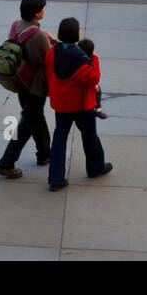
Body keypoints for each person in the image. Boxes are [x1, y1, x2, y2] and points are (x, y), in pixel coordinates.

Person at [44, 16, 111, 192]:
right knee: (89, 136)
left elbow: (57, 55)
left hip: (61, 104)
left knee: (59, 138)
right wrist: (94, 58)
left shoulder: (53, 52)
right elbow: (93, 79)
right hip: (81, 106)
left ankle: (55, 178)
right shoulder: (82, 60)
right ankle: (96, 168)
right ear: (76, 34)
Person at [0, 0, 53, 178]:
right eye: (43, 8)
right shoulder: (38, 37)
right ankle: (6, 162)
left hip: (21, 83)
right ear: (37, 14)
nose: (44, 10)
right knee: (28, 122)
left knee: (35, 117)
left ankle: (44, 153)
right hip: (35, 87)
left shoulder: (16, 25)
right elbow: (48, 60)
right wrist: (52, 41)